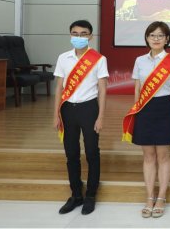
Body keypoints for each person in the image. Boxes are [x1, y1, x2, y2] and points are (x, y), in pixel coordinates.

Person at [122, 21, 170, 218]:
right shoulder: (140, 61)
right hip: (144, 109)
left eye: (160, 35)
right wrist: (136, 110)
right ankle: (149, 197)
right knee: (148, 156)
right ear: (147, 38)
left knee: (163, 156)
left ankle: (161, 198)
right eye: (152, 35)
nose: (156, 39)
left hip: (165, 107)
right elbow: (137, 88)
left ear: (167, 39)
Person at [53, 20, 108, 215]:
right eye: (75, 33)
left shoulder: (99, 59)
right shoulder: (63, 58)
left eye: (83, 34)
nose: (79, 37)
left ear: (90, 36)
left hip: (89, 108)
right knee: (71, 153)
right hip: (68, 109)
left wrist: (101, 116)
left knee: (92, 152)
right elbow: (59, 87)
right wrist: (55, 114)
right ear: (70, 35)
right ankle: (76, 194)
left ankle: (91, 195)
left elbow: (102, 90)